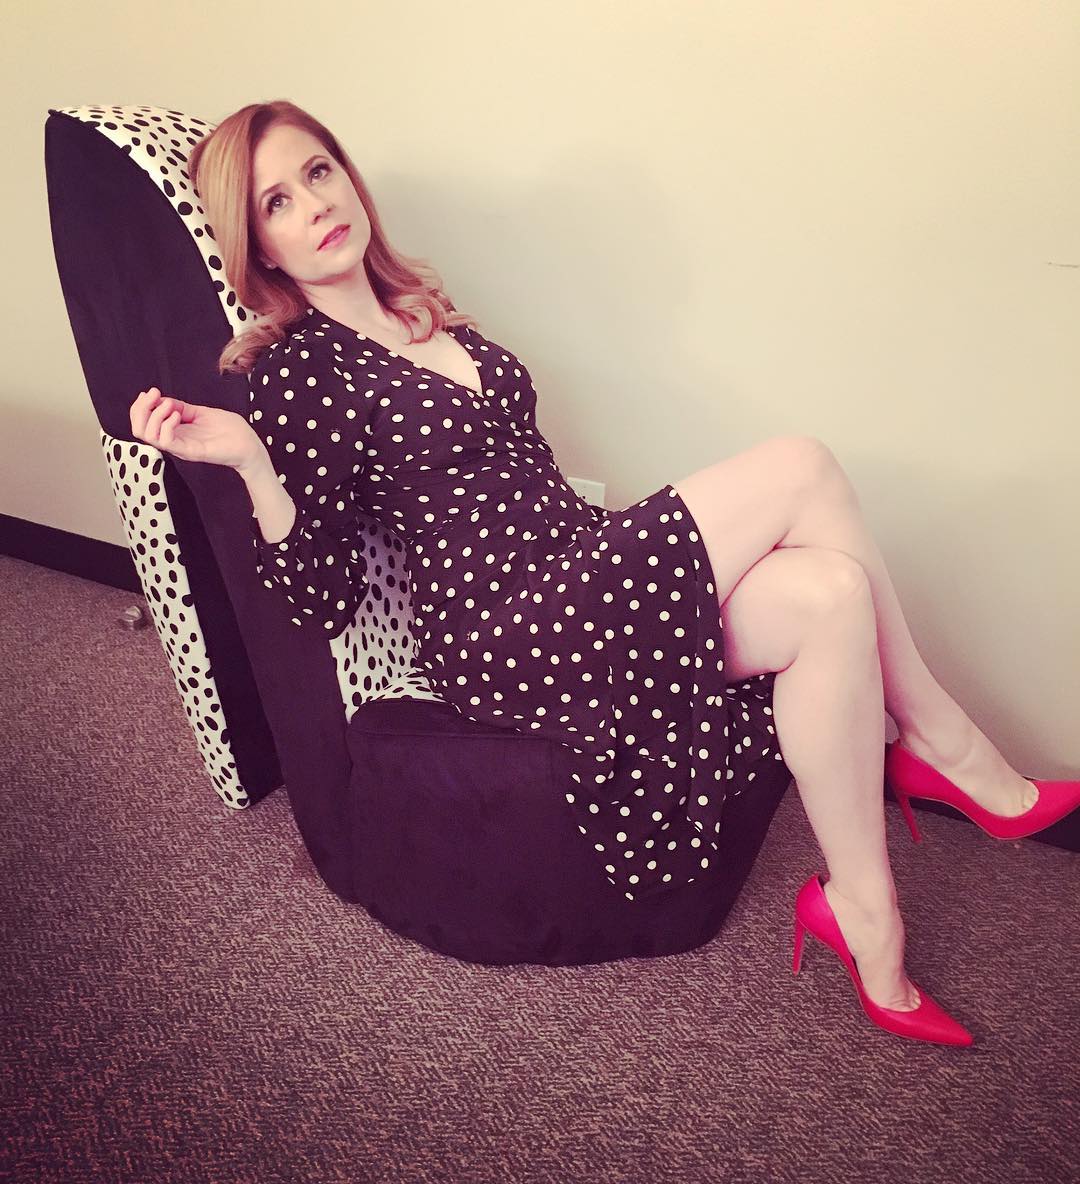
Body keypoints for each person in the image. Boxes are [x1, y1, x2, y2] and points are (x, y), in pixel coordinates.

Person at [128, 100, 1079, 1047]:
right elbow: (319, 597)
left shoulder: (421, 309)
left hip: (574, 565)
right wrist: (253, 463)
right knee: (803, 466)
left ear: (347, 176)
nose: (313, 206)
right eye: (276, 203)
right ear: (261, 249)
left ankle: (863, 917)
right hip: (501, 625)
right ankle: (943, 745)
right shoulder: (298, 373)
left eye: (318, 172)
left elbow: (519, 472)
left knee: (832, 592)